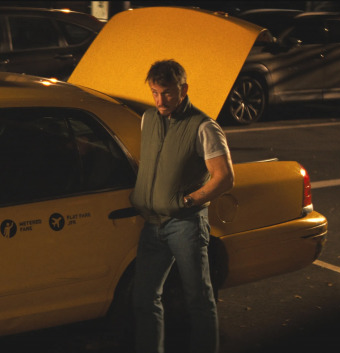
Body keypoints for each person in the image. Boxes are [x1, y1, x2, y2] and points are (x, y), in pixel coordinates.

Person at [128, 59, 234, 353]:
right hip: (153, 225)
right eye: (155, 92)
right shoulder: (148, 119)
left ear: (183, 89)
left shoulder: (204, 126)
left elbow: (225, 178)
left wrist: (188, 201)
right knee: (143, 298)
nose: (160, 100)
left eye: (167, 93)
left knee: (198, 300)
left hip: (185, 225)